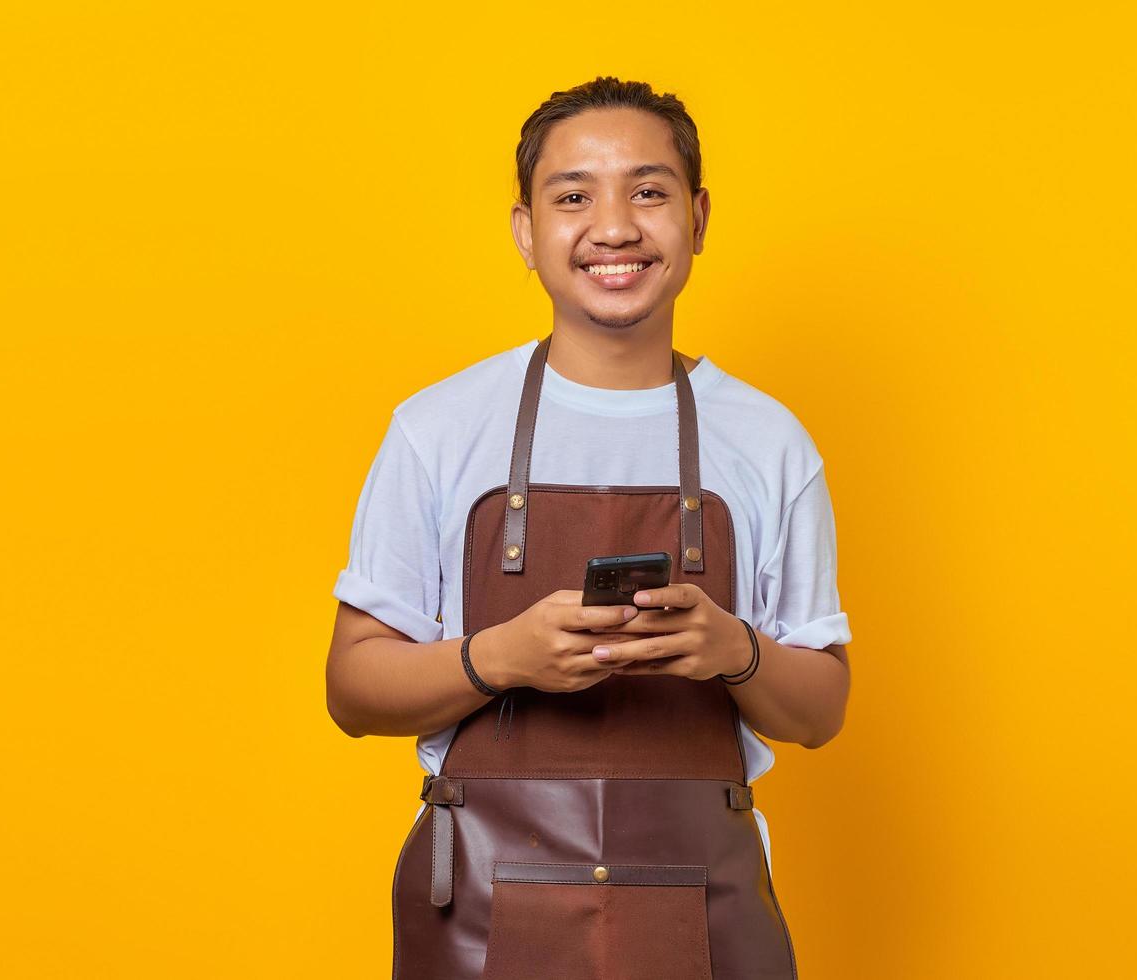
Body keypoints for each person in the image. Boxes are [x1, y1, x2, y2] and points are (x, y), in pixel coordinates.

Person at [326, 75, 852, 979]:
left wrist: (733, 649)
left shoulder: (769, 441)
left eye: (648, 191)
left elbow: (823, 710)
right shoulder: (439, 427)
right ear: (527, 231)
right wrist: (499, 659)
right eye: (574, 196)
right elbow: (351, 687)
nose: (614, 226)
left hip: (705, 902)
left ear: (698, 216)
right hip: (483, 905)